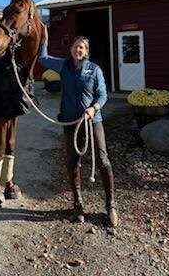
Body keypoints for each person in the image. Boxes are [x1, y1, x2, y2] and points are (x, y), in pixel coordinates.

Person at [39, 26, 118, 226]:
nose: (78, 50)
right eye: (75, 47)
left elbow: (103, 94)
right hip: (70, 122)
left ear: (86, 51)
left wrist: (94, 108)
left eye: (82, 47)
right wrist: (44, 39)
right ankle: (78, 204)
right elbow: (43, 59)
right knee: (73, 162)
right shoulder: (64, 66)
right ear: (71, 49)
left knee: (102, 161)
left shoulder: (94, 70)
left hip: (93, 121)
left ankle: (111, 205)